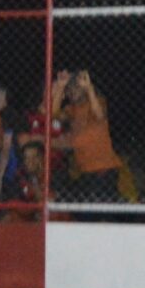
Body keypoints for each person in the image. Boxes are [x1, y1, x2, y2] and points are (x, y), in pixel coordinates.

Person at [53, 70, 121, 204]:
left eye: (76, 88)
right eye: (69, 89)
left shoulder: (96, 101)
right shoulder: (71, 109)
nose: (72, 92)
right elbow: (54, 115)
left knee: (99, 205)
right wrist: (60, 87)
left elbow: (99, 115)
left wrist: (89, 88)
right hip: (85, 170)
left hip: (103, 168)